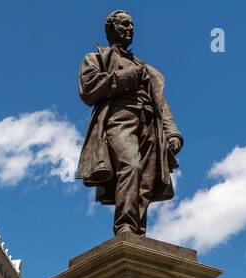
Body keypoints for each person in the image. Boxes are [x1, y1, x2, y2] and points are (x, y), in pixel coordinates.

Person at [76, 9, 182, 236]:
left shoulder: (145, 67)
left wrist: (172, 133)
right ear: (111, 29)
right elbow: (88, 89)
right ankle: (124, 225)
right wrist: (130, 76)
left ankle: (137, 231)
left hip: (149, 123)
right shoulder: (95, 58)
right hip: (119, 118)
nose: (130, 29)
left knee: (146, 178)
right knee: (131, 165)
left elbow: (161, 104)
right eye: (124, 25)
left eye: (132, 25)